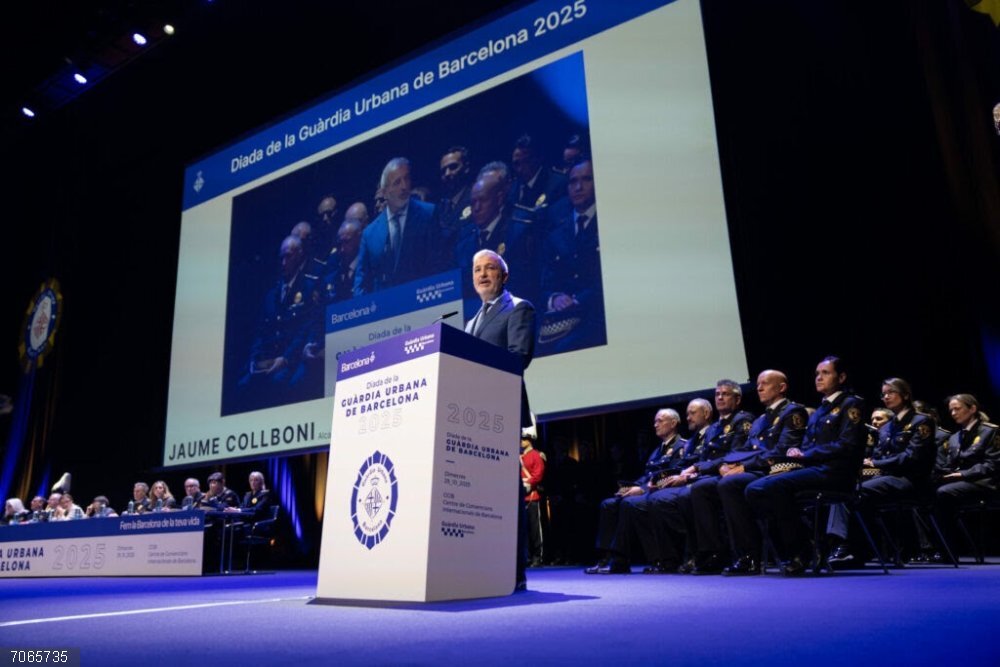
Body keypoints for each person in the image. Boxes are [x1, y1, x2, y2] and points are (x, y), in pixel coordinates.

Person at [745, 356, 866, 575]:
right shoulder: (820, 410)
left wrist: (806, 454)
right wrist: (798, 455)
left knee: (775, 486)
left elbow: (847, 444)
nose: (819, 377)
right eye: (817, 373)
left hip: (837, 472)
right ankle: (809, 543)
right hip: (814, 470)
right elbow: (809, 444)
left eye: (825, 373)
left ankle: (800, 550)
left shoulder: (851, 404)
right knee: (754, 489)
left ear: (841, 377)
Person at [464, 248, 536, 591]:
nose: (482, 274)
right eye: (477, 269)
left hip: (500, 410)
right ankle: (482, 566)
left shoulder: (519, 308)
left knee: (504, 493)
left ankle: (513, 571)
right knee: (477, 495)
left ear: (504, 276)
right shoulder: (470, 322)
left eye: (489, 268)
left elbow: (518, 357)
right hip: (470, 417)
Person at [649, 380, 755, 574]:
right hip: (708, 475)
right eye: (717, 394)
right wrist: (693, 471)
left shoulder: (743, 420)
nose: (720, 397)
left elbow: (734, 455)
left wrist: (696, 469)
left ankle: (714, 553)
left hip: (726, 473)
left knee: (694, 492)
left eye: (725, 394)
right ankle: (701, 552)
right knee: (673, 496)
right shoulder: (714, 428)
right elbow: (703, 458)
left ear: (737, 399)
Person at [708, 371, 809, 575]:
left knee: (730, 484)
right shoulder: (761, 420)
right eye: (758, 385)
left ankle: (750, 555)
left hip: (777, 470)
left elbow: (781, 451)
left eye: (765, 383)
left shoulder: (793, 412)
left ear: (781, 387)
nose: (759, 388)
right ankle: (743, 555)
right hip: (760, 469)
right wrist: (727, 464)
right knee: (724, 481)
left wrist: (744, 467)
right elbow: (746, 449)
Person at [827, 377, 936, 565]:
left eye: (891, 392)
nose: (886, 397)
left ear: (905, 395)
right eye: (884, 394)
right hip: (887, 478)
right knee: (844, 489)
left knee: (854, 492)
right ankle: (853, 548)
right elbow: (877, 454)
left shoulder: (922, 421)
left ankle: (846, 546)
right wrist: (871, 462)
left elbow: (912, 457)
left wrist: (876, 463)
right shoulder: (887, 427)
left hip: (911, 480)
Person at [585, 408, 690, 574]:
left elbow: (672, 475)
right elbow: (647, 475)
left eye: (660, 421)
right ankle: (606, 558)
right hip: (649, 491)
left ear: (673, 423)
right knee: (609, 504)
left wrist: (641, 489)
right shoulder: (657, 450)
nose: (655, 425)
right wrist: (629, 487)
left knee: (630, 504)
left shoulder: (682, 446)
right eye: (655, 421)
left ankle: (627, 559)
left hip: (664, 493)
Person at [239, 235, 321, 405]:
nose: (284, 262)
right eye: (281, 257)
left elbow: (305, 330)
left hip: (291, 359)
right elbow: (260, 332)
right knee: (241, 386)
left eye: (288, 256)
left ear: (299, 256)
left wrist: (286, 358)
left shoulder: (309, 287)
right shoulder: (272, 294)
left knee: (278, 385)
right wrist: (255, 359)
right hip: (268, 360)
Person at [537, 159, 606, 354]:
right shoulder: (558, 231)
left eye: (586, 180)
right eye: (573, 181)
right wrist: (555, 298)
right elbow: (545, 283)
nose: (578, 187)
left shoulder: (606, 222)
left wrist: (578, 301)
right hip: (561, 317)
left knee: (565, 347)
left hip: (596, 313)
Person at [454, 167, 540, 313]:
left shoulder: (518, 232)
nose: (477, 208)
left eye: (483, 200)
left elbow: (524, 283)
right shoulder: (464, 241)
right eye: (473, 202)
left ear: (499, 199)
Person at [353, 157, 441, 295]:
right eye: (397, 182)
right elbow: (361, 283)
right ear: (385, 192)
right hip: (383, 305)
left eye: (407, 179)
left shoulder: (428, 214)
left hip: (423, 299)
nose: (404, 187)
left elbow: (438, 265)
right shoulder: (370, 234)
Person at [932, 394, 999, 549]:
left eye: (957, 409)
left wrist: (963, 474)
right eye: (951, 410)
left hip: (985, 483)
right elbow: (950, 465)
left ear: (972, 409)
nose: (953, 413)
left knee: (943, 493)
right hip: (961, 481)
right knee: (926, 488)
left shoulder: (991, 431)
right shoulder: (955, 437)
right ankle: (933, 548)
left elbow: (993, 464)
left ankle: (949, 548)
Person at [510, 133, 568, 211]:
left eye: (526, 162)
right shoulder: (513, 187)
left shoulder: (558, 185)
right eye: (517, 164)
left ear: (537, 160)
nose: (520, 169)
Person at [436, 145, 474, 241]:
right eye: (443, 171)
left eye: (453, 167)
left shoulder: (476, 199)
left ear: (466, 168)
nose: (447, 173)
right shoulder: (440, 206)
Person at [520, 433, 546, 566]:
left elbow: (538, 475)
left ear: (530, 440)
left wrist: (526, 483)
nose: (521, 441)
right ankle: (527, 556)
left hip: (531, 496)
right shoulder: (518, 456)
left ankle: (537, 556)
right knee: (523, 530)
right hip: (520, 497)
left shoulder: (536, 455)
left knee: (534, 529)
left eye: (524, 439)